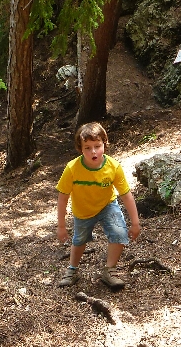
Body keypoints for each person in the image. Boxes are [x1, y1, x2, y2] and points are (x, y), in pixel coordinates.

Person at [55, 122, 141, 290]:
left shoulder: (113, 167)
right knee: (79, 240)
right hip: (83, 211)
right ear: (80, 148)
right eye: (87, 148)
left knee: (119, 233)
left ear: (104, 144)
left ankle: (109, 270)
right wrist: (61, 226)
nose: (93, 151)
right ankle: (73, 270)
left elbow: (126, 195)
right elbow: (62, 198)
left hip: (107, 205)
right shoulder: (72, 168)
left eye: (97, 146)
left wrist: (135, 222)